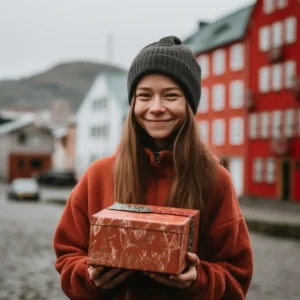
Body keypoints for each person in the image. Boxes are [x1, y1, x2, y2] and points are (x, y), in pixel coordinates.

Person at [54, 36, 253, 300]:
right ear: (133, 103)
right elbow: (67, 256)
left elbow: (236, 278)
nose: (156, 108)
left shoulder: (215, 179)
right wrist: (89, 277)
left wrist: (199, 281)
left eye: (171, 96)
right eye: (144, 96)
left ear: (189, 105)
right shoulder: (98, 175)